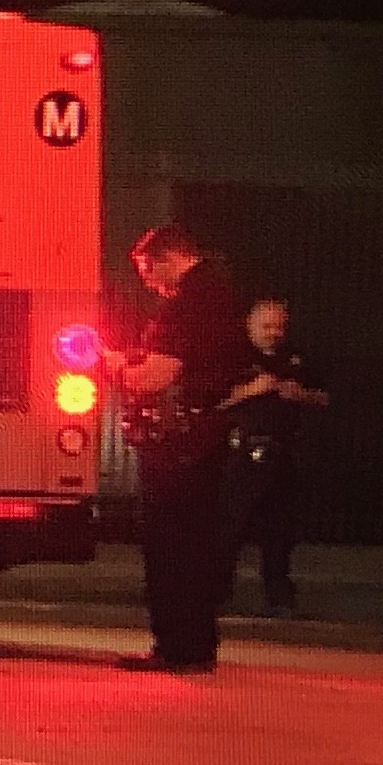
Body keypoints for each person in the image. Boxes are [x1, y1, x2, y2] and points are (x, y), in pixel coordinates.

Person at [109, 224, 251, 674]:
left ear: (169, 257)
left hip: (178, 445)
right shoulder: (224, 295)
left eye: (148, 271)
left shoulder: (187, 306)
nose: (149, 282)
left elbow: (156, 377)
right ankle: (197, 646)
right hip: (209, 437)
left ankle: (176, 647)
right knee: (199, 545)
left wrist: (115, 366)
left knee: (170, 546)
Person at [219, 297, 331, 618]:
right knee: (230, 528)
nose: (273, 333)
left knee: (279, 531)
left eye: (279, 326)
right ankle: (219, 592)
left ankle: (279, 596)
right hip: (240, 453)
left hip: (282, 453)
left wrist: (301, 396)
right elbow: (214, 400)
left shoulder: (296, 359)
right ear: (250, 326)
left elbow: (324, 397)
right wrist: (251, 389)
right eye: (267, 326)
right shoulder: (234, 358)